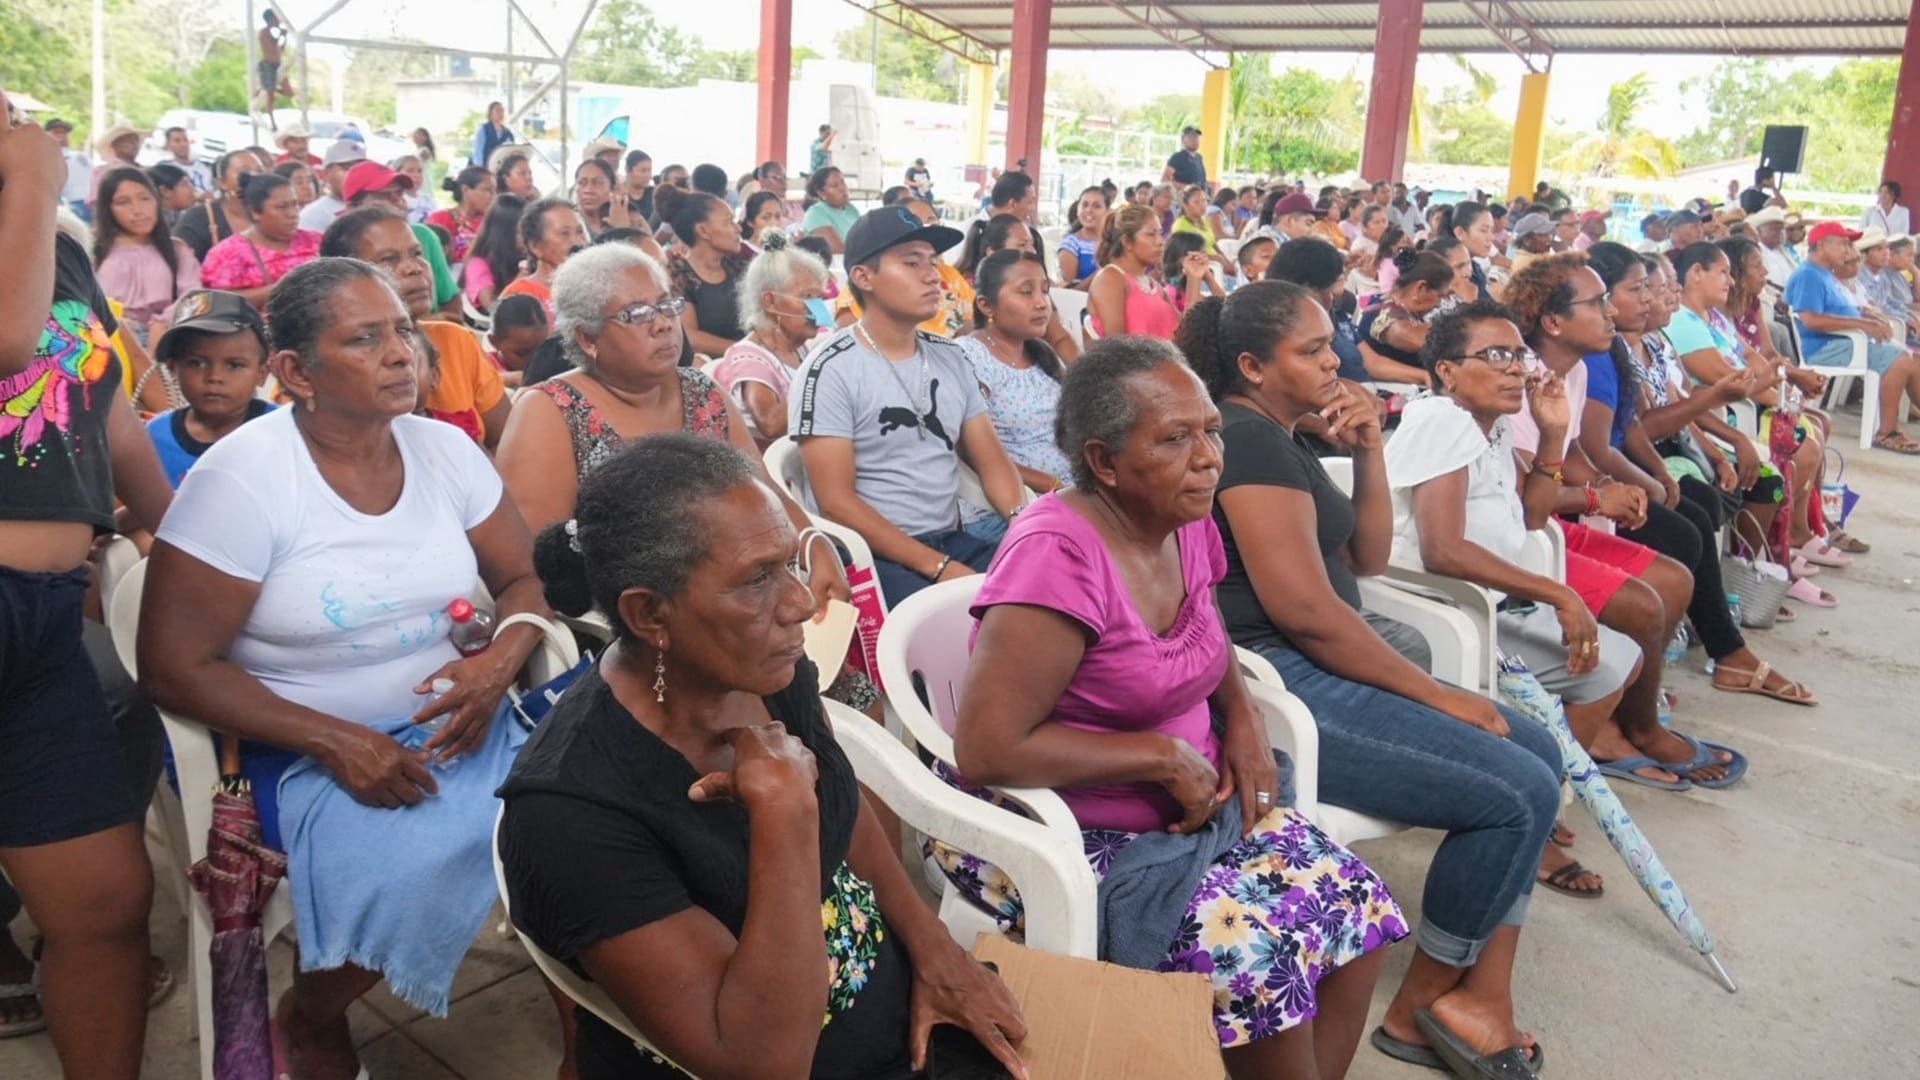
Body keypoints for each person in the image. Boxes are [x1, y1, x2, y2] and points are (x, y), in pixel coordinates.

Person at [139, 256, 557, 1078]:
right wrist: (338, 741)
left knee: (590, 809)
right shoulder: (245, 480)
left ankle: (595, 1046)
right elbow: (174, 665)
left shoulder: (444, 451)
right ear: (295, 371)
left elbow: (522, 577)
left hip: (457, 716)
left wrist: (501, 660)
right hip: (294, 744)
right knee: (444, 843)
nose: (403, 352)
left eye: (402, 329)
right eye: (365, 339)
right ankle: (316, 1010)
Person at [499, 433, 1024, 1080]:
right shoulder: (571, 814)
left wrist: (934, 948)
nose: (802, 603)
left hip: (902, 1021)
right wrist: (781, 815)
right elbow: (761, 1064)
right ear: (648, 614)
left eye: (789, 564)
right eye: (757, 580)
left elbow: (845, 808)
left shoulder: (764, 674)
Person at [952, 337, 1400, 1077]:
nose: (1208, 458)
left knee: (1361, 914)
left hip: (1195, 806)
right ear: (1103, 463)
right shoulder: (1056, 559)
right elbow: (988, 750)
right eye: (1175, 438)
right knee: (1266, 957)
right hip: (1065, 829)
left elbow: (1206, 626)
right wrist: (1158, 757)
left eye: (1211, 431)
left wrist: (1246, 721)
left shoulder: (1183, 516)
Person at [1174, 281, 1562, 1073]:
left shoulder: (1287, 437)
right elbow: (1306, 612)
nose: (1335, 361)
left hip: (1324, 661)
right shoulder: (1245, 444)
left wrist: (1369, 452)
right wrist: (1437, 692)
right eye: (1311, 350)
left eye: (1330, 344)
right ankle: (1423, 1005)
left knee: (1540, 757)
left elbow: (1370, 558)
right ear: (1252, 365)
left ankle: (1479, 989)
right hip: (1286, 682)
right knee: (1517, 795)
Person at [0, 99, 176, 1075]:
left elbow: (95, 408)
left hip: (36, 628)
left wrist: (175, 532)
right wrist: (32, 179)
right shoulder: (32, 206)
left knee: (106, 905)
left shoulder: (51, 246)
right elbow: (8, 344)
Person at [1389, 300, 1642, 741]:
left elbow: (1534, 514)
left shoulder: (1492, 425)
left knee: (1622, 659)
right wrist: (1559, 594)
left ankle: (1560, 771)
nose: (1515, 370)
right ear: (1447, 371)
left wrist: (1553, 434)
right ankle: (1552, 777)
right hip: (1440, 610)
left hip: (1487, 604)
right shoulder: (1442, 421)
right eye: (1495, 356)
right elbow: (1442, 549)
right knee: (1610, 666)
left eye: (1519, 355)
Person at [790, 207, 1026, 605]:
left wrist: (1023, 528)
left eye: (932, 262)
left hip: (951, 541)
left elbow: (991, 460)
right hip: (874, 554)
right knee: (966, 623)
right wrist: (936, 566)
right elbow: (836, 501)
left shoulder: (949, 357)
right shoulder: (830, 368)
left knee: (1049, 594)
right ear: (864, 277)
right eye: (912, 263)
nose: (933, 275)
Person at [955, 250, 1071, 542]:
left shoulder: (1041, 353)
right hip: (1008, 509)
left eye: (1044, 290)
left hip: (1068, 494)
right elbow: (974, 453)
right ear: (986, 305)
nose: (1042, 302)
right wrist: (1055, 485)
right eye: (1026, 292)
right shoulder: (970, 357)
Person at [1787, 220, 1920, 453]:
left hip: (1846, 341)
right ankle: (1887, 431)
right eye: (1843, 244)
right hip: (1827, 347)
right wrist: (1862, 323)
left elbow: (1836, 309)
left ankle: (1889, 428)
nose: (1848, 251)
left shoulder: (1824, 274)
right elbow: (1811, 320)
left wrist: (1863, 313)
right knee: (1900, 360)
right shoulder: (1810, 275)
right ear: (1822, 245)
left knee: (1911, 360)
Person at [144, 290, 276, 487]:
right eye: (197, 363)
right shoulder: (155, 436)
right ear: (173, 368)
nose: (214, 378)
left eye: (234, 365)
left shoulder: (282, 432)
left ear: (262, 373)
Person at [91, 168, 202, 346]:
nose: (137, 210)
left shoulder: (176, 249)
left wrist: (162, 323)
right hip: (109, 339)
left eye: (144, 198)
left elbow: (194, 294)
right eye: (123, 202)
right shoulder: (94, 252)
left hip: (167, 336)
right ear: (108, 209)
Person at [340, 160, 461, 312]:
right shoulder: (344, 243)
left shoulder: (424, 236)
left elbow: (450, 299)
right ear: (353, 206)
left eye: (399, 193)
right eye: (383, 196)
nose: (398, 202)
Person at [198, 174, 319, 308]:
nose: (293, 213)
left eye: (295, 204)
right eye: (282, 207)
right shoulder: (226, 254)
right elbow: (217, 302)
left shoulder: (316, 242)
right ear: (255, 212)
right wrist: (283, 290)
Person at [668, 192, 752, 357]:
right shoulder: (678, 276)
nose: (739, 228)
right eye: (729, 222)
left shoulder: (739, 267)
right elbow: (690, 337)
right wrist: (745, 350)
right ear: (703, 231)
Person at [1359, 250, 1454, 387]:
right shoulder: (1383, 314)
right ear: (1420, 288)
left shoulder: (1404, 311)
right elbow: (1414, 338)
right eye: (1439, 296)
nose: (1439, 304)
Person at [1087, 203, 1181, 340]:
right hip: (1136, 360)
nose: (1161, 241)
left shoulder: (1154, 285)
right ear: (1127, 241)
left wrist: (1195, 278)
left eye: (1160, 233)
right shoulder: (1111, 278)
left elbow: (1185, 333)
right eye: (1151, 234)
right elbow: (1118, 346)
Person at [500, 196, 588, 320]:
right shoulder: (519, 295)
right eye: (564, 234)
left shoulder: (596, 287)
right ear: (535, 246)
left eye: (580, 232)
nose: (578, 242)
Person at [463, 191, 525, 311]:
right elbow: (492, 307)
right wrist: (522, 278)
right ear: (504, 233)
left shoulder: (525, 255)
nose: (528, 237)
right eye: (520, 232)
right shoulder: (477, 264)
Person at [428, 165, 494, 264]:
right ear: (465, 190)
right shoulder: (439, 219)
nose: (493, 195)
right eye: (487, 190)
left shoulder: (492, 221)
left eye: (494, 190)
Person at [297, 139, 366, 233]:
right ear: (327, 173)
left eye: (362, 168)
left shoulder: (376, 206)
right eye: (347, 168)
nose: (356, 174)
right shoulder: (312, 216)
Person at [484, 292, 548, 387]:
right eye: (522, 353)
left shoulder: (552, 361)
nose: (533, 360)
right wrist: (510, 378)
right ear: (494, 342)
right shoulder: (482, 365)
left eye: (541, 351)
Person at [1057, 185, 1107, 287]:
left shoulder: (1114, 242)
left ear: (1107, 210)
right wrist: (1102, 271)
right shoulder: (1071, 244)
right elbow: (1069, 291)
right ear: (1078, 209)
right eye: (1084, 205)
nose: (1089, 210)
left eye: (1096, 206)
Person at [47, 117, 95, 221]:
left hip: (95, 202)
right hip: (71, 206)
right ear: (46, 135)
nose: (62, 136)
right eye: (57, 133)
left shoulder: (80, 155)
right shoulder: (45, 159)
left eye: (65, 133)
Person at [802, 166, 858, 252]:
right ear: (821, 193)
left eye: (843, 182)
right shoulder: (816, 214)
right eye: (834, 186)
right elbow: (838, 250)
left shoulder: (851, 209)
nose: (842, 188)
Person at [572, 157, 628, 240]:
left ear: (613, 189)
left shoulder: (629, 218)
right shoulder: (569, 223)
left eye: (597, 183)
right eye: (582, 183)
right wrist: (621, 231)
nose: (588, 190)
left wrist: (623, 229)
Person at [159, 126, 213, 195]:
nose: (183, 144)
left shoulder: (206, 166)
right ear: (168, 145)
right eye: (177, 141)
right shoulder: (165, 169)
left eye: (185, 140)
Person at [471, 101, 515, 168]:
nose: (501, 113)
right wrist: (480, 169)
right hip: (485, 168)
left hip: (501, 169)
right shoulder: (483, 129)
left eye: (502, 111)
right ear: (490, 113)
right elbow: (478, 152)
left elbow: (511, 151)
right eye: (498, 111)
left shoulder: (508, 132)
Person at [623, 149, 656, 223]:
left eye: (649, 170)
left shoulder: (655, 194)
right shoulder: (618, 195)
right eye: (643, 171)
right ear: (628, 170)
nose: (648, 175)